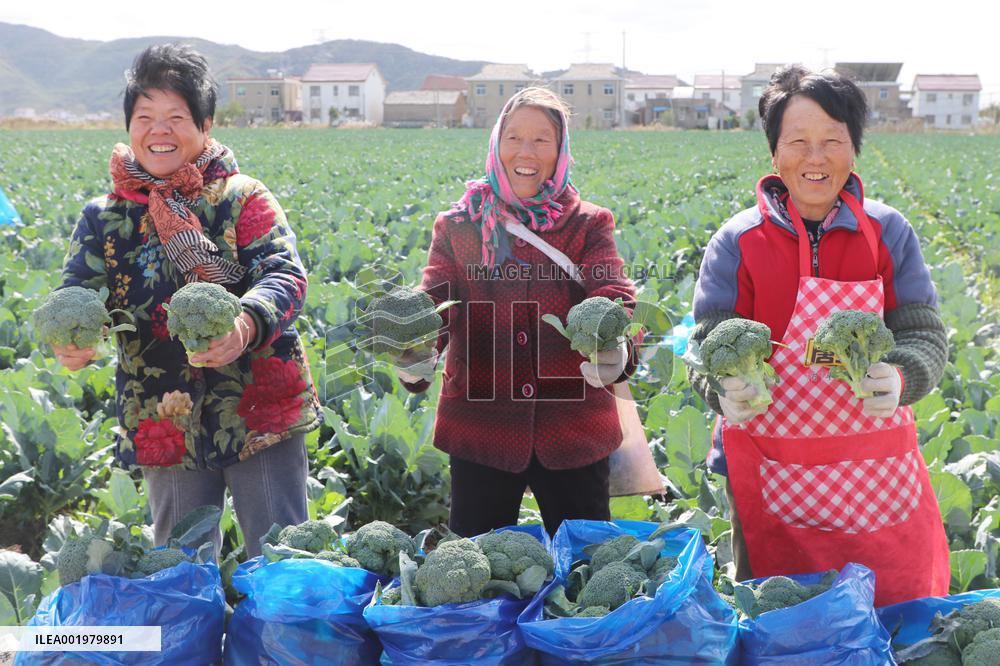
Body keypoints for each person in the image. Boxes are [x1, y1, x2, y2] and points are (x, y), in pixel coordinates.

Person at [689, 65, 950, 606]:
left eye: (833, 140)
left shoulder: (887, 231)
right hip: (768, 463)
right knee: (777, 612)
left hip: (874, 469)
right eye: (798, 142)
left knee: (889, 610)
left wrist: (902, 376)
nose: (815, 157)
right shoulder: (737, 241)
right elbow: (707, 342)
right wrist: (722, 390)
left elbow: (923, 331)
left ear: (854, 149)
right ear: (774, 153)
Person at [52, 44, 319, 557]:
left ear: (206, 124)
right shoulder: (105, 216)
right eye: (145, 116)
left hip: (259, 405)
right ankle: (191, 639)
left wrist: (245, 324)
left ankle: (276, 640)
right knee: (181, 565)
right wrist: (76, 338)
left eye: (176, 117)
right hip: (162, 413)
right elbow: (79, 293)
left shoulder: (243, 196)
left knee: (281, 557)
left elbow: (285, 276)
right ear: (129, 126)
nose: (159, 130)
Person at [396, 87, 640, 537]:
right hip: (480, 430)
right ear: (496, 143)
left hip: (573, 431)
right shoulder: (458, 225)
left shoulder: (587, 224)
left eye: (541, 140)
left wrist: (617, 346)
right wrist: (414, 345)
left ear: (560, 148)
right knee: (478, 576)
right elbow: (436, 298)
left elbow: (614, 290)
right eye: (514, 137)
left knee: (584, 573)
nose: (526, 152)